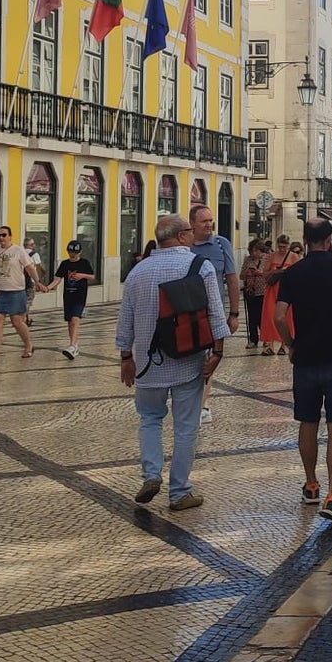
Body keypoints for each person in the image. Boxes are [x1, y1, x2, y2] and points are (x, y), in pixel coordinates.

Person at [117, 212, 227, 513]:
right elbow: (215, 314)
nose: (194, 235)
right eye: (190, 231)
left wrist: (126, 357)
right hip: (188, 360)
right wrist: (217, 353)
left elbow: (124, 318)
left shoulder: (139, 271)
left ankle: (152, 475)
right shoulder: (199, 266)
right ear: (181, 236)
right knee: (186, 427)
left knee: (149, 419)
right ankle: (179, 492)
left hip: (148, 363)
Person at [276, 216, 332, 526]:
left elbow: (279, 317)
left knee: (308, 422)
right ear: (330, 239)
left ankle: (311, 484)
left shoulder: (294, 272)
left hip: (305, 358)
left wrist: (291, 344)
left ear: (306, 238)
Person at [190, 204, 240, 422]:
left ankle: (204, 404)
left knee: (211, 356)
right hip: (187, 312)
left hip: (214, 312)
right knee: (189, 356)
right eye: (204, 221)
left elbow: (231, 278)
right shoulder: (184, 245)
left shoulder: (222, 244)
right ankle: (188, 397)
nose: (209, 225)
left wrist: (234, 313)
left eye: (211, 220)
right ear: (192, 224)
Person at [0, 224, 42, 361]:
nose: (1, 238)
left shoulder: (18, 250)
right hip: (0, 292)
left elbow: (29, 267)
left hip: (16, 291)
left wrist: (38, 282)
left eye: (4, 235)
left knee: (17, 321)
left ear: (10, 236)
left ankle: (28, 344)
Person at [49, 240, 95, 358]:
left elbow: (93, 276)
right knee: (70, 321)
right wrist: (48, 287)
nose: (72, 254)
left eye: (74, 252)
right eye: (70, 252)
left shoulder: (84, 263)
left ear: (79, 252)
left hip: (80, 296)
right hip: (68, 296)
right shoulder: (64, 264)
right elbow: (58, 278)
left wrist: (82, 276)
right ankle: (74, 346)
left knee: (75, 319)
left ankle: (72, 346)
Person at [241, 239, 269, 347]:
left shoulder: (267, 259)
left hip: (263, 291)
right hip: (251, 291)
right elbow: (241, 275)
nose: (252, 253)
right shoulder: (248, 260)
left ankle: (266, 338)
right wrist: (247, 273)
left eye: (254, 250)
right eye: (251, 250)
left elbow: (269, 274)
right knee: (252, 316)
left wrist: (259, 273)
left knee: (262, 317)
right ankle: (253, 339)